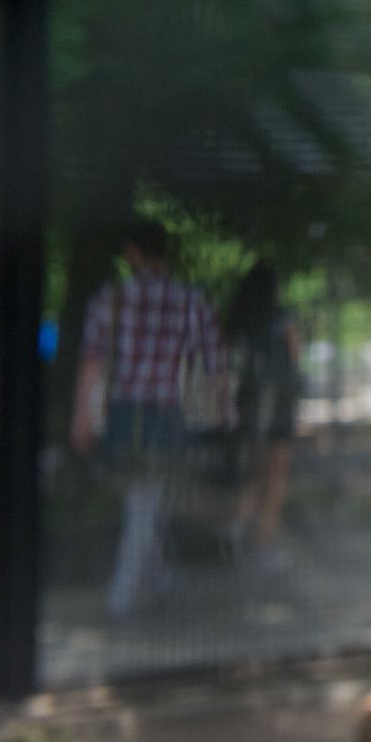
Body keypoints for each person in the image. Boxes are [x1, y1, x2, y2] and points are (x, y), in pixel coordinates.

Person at [71, 220, 224, 617]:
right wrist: (220, 417)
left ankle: (122, 599)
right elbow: (213, 366)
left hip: (126, 415)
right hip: (169, 415)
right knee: (146, 502)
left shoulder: (112, 298)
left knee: (140, 502)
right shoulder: (192, 300)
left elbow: (92, 363)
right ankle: (160, 580)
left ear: (135, 253)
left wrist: (81, 419)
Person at [223, 261, 300, 574]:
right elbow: (295, 357)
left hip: (248, 407)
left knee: (253, 474)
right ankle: (263, 545)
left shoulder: (238, 321)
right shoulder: (283, 318)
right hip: (279, 407)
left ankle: (236, 531)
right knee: (275, 478)